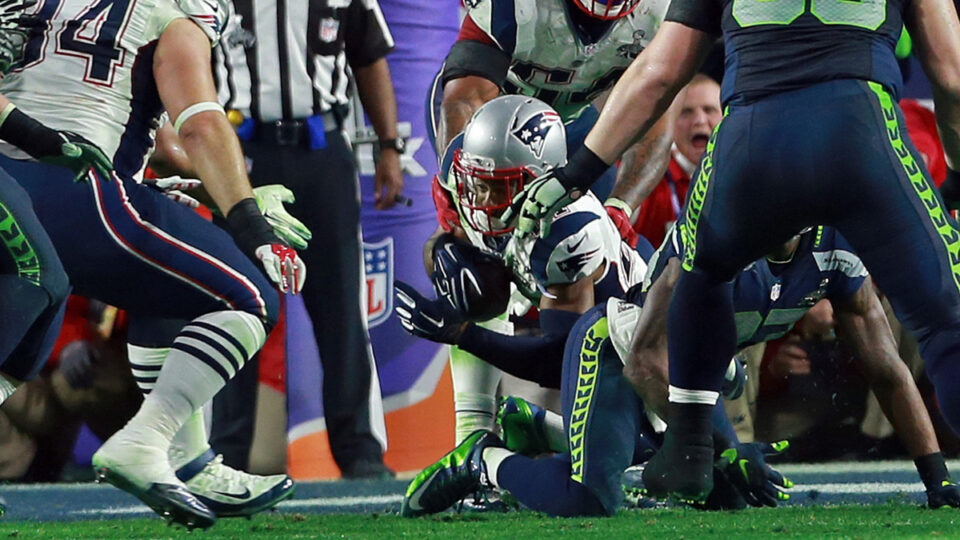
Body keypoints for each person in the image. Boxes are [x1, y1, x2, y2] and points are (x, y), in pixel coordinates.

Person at [504, 0, 960, 504]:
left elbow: (660, 71)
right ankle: (508, 460)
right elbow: (953, 72)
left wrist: (575, 174)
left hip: (749, 139)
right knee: (948, 322)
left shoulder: (823, 246)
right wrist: (956, 176)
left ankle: (687, 443)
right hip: (858, 125)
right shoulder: (841, 220)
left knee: (700, 269)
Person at [402, 223, 960, 517]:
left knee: (724, 494)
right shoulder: (715, 240)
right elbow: (649, 359)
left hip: (692, 375)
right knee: (590, 501)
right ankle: (484, 461)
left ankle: (547, 431)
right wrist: (723, 449)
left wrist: (936, 477)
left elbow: (888, 369)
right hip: (621, 352)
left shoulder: (835, 247)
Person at [0, 0, 305, 528]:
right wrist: (249, 221)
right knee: (248, 296)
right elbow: (199, 123)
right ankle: (146, 443)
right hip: (75, 181)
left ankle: (191, 462)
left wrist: (194, 187)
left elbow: (133, 124)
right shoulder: (180, 9)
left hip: (12, 178)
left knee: (25, 350)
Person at [426, 0, 674, 444]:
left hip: (576, 125)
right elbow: (466, 94)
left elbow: (655, 111)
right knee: (479, 271)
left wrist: (622, 204)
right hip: (490, 120)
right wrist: (460, 183)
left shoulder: (661, 10)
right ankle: (473, 434)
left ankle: (591, 431)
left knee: (585, 260)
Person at [212, 0, 400, 479]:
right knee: (235, 303)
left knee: (339, 306)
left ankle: (359, 451)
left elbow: (368, 57)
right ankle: (224, 455)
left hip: (321, 150)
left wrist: (389, 147)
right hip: (240, 151)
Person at [632, 73, 721, 248]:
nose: (699, 121)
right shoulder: (642, 180)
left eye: (709, 110)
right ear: (670, 122)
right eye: (686, 112)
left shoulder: (747, 176)